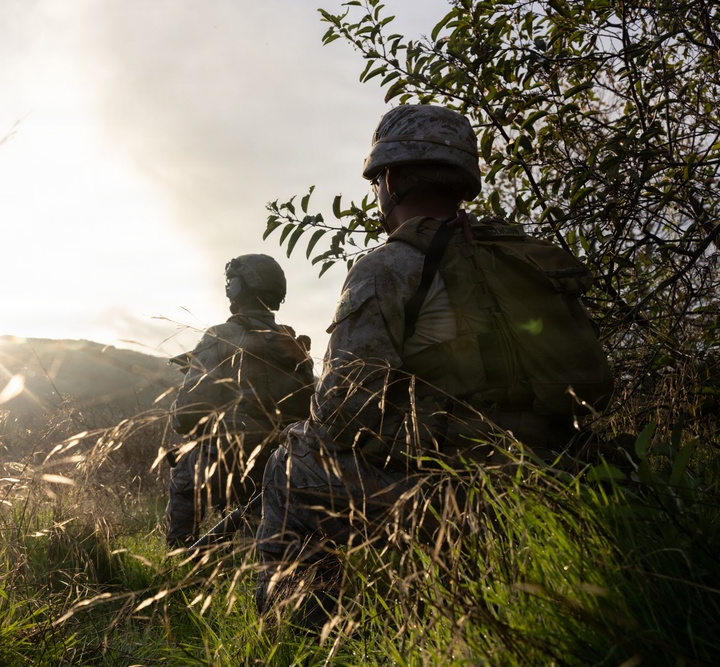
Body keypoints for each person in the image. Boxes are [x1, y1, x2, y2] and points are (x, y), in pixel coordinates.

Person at [253, 104, 614, 622]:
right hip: (564, 477)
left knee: (291, 462)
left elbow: (343, 412)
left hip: (468, 493)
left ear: (390, 178)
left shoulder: (389, 266)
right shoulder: (530, 259)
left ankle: (300, 637)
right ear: (463, 180)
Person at [165, 253, 315, 549]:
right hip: (285, 460)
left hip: (233, 456)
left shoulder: (221, 336)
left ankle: (179, 558)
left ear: (237, 288)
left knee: (183, 471)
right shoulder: (294, 345)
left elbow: (187, 414)